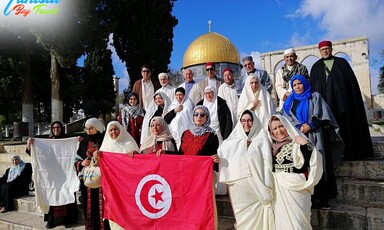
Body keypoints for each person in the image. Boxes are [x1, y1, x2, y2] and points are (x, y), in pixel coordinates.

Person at [282, 74, 344, 208]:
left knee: (318, 164)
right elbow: (286, 118)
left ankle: (322, 198)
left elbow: (324, 114)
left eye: (299, 83)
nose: (297, 87)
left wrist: (311, 125)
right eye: (294, 85)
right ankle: (308, 198)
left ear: (304, 83)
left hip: (316, 136)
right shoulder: (289, 101)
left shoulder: (314, 96)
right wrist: (299, 127)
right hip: (298, 138)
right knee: (305, 167)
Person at [310, 40, 373, 160]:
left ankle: (350, 152)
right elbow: (313, 88)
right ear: (319, 51)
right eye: (323, 49)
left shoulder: (342, 63)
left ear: (331, 49)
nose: (325, 51)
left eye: (327, 48)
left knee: (345, 126)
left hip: (343, 103)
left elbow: (350, 83)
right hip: (325, 105)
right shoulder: (316, 67)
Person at [218, 110, 274, 229]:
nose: (246, 124)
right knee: (242, 216)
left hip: (257, 184)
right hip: (239, 184)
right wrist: (242, 144)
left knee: (257, 215)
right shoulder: (234, 138)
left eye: (249, 120)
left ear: (254, 122)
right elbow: (222, 151)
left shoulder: (261, 137)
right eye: (243, 121)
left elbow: (267, 162)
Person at [268, 115, 323, 230]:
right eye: (274, 128)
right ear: (271, 131)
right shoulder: (271, 147)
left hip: (297, 190)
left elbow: (313, 159)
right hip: (280, 192)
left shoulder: (296, 142)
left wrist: (304, 144)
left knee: (299, 224)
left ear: (287, 126)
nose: (279, 131)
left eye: (281, 126)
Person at [26, 121, 78, 229]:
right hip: (51, 174)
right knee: (50, 194)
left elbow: (76, 152)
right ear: (51, 129)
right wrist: (29, 144)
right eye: (54, 128)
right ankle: (51, 221)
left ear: (61, 128)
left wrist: (78, 142)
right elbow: (35, 153)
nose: (56, 130)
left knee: (66, 192)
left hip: (65, 174)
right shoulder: (47, 142)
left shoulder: (67, 141)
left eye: (58, 127)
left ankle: (67, 220)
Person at [179, 105, 220, 230]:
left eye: (202, 115)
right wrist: (164, 153)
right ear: (192, 116)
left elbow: (214, 155)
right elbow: (180, 155)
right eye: (196, 114)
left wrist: (216, 160)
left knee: (205, 204)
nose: (199, 117)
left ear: (207, 117)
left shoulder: (212, 135)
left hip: (204, 177)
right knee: (186, 204)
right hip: (187, 176)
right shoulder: (186, 133)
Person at [93, 121, 139, 230]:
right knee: (114, 211)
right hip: (111, 186)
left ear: (121, 130)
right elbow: (98, 166)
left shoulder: (129, 143)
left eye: (116, 129)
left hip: (127, 186)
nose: (113, 132)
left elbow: (139, 165)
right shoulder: (105, 147)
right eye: (111, 130)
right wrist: (96, 158)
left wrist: (135, 155)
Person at [74, 118, 109, 230]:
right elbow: (76, 160)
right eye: (86, 128)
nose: (88, 131)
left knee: (103, 207)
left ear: (97, 128)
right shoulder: (84, 142)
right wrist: (82, 162)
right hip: (88, 180)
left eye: (91, 128)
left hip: (103, 180)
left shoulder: (105, 140)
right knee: (89, 207)